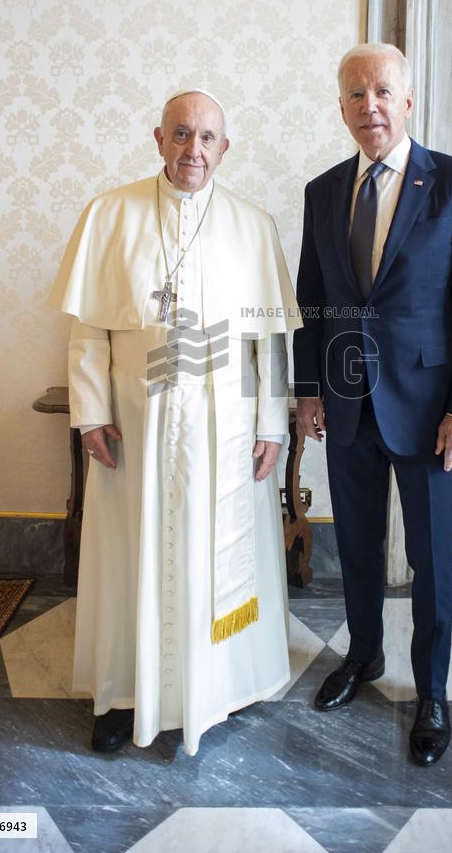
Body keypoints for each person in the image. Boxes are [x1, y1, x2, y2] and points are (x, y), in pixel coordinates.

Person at [49, 88, 299, 755]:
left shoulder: (254, 225)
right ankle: (122, 692)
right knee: (131, 552)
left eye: (208, 138)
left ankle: (219, 684)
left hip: (226, 430)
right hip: (134, 425)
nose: (195, 150)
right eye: (181, 134)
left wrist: (273, 424)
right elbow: (86, 332)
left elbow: (271, 342)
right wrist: (90, 414)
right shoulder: (109, 214)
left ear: (225, 148)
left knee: (217, 553)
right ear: (158, 139)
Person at [293, 43, 452, 766]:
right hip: (347, 406)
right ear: (342, 106)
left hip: (432, 411)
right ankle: (364, 657)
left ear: (408, 100)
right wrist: (309, 389)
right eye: (354, 94)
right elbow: (311, 303)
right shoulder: (322, 191)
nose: (368, 105)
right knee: (354, 547)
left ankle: (433, 691)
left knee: (431, 561)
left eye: (382, 91)